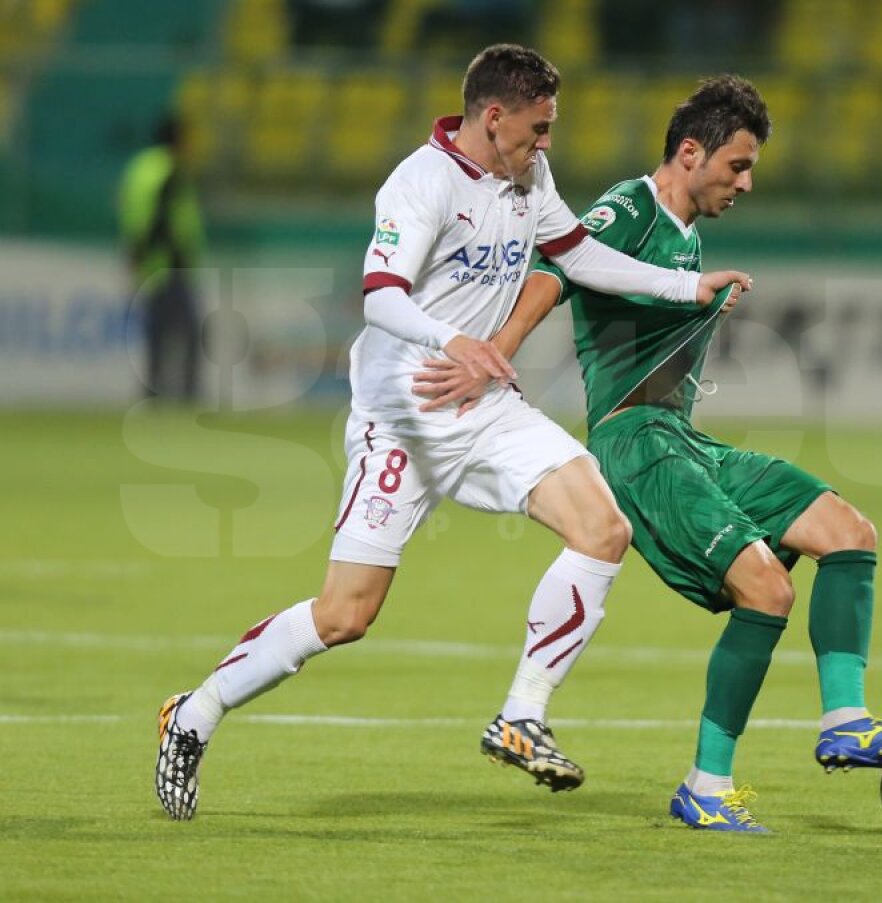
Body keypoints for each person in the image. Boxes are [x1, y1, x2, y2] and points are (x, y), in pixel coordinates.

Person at [154, 45, 750, 821]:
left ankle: (521, 714)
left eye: (551, 130)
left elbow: (577, 253)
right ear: (493, 117)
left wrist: (683, 284)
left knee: (604, 525)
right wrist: (453, 341)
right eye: (538, 129)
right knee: (345, 615)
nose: (547, 145)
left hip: (486, 409)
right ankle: (194, 714)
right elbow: (379, 296)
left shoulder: (527, 177)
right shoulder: (421, 183)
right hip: (402, 420)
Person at [414, 75, 882, 834]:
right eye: (738, 165)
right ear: (690, 153)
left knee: (849, 531)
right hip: (636, 445)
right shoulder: (631, 206)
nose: (746, 183)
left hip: (683, 440)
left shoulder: (689, 234)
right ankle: (707, 786)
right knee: (768, 591)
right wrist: (495, 350)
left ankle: (846, 720)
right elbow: (556, 267)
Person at [117, 114, 205, 401]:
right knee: (189, 332)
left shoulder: (139, 168)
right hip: (169, 263)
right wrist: (172, 254)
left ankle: (152, 393)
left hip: (148, 263)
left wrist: (136, 252)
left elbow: (133, 211)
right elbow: (161, 217)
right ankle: (186, 395)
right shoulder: (170, 170)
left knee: (156, 333)